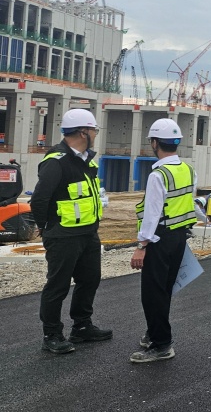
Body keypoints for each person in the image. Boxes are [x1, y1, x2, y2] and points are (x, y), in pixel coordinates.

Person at [31, 108, 112, 354]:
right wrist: (46, 227)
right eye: (94, 130)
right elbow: (39, 199)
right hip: (63, 234)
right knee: (58, 285)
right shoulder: (56, 161)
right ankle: (52, 334)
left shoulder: (87, 160)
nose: (95, 134)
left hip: (87, 232)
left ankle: (82, 326)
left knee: (90, 279)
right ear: (83, 132)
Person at [129, 118, 197, 363]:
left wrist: (141, 246)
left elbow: (152, 214)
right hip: (178, 238)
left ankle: (161, 344)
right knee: (164, 290)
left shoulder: (158, 175)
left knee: (152, 293)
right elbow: (189, 203)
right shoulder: (187, 169)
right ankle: (154, 332)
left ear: (155, 143)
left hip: (159, 237)